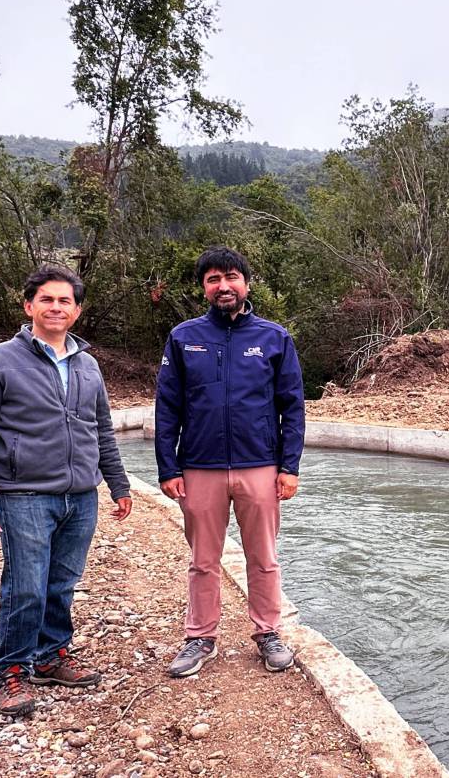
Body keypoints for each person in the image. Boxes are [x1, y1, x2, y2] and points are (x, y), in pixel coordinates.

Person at [0, 265, 132, 717]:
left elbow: (101, 431)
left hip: (81, 495)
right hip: (24, 494)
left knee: (62, 584)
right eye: (47, 299)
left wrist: (117, 483)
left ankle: (52, 655)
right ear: (28, 305)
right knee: (26, 587)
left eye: (65, 301)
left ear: (77, 310)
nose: (56, 307)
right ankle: (11, 670)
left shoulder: (87, 363)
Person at [154, 245, 305, 677]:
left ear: (246, 283)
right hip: (199, 466)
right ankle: (200, 637)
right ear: (204, 288)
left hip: (261, 465)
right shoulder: (183, 338)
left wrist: (289, 466)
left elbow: (292, 408)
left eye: (232, 277)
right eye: (213, 279)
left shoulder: (274, 338)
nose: (224, 286)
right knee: (203, 559)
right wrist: (168, 467)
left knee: (264, 557)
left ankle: (268, 633)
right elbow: (167, 407)